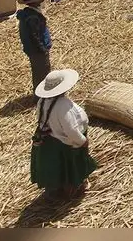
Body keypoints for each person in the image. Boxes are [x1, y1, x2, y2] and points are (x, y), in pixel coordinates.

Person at [31, 69, 98, 198]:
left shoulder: (42, 101)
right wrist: (82, 141)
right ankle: (74, 189)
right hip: (67, 142)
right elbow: (71, 129)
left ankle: (55, 189)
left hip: (50, 139)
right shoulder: (63, 106)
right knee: (72, 166)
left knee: (55, 166)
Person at [17, 0, 53, 95]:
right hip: (37, 51)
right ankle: (42, 96)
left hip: (33, 50)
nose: (42, 0)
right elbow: (34, 36)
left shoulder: (29, 14)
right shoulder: (32, 17)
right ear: (35, 2)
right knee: (42, 73)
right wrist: (42, 49)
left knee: (38, 72)